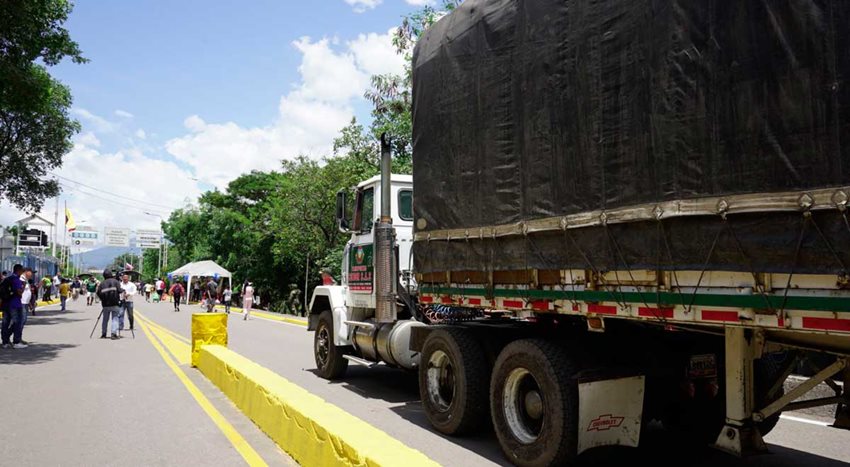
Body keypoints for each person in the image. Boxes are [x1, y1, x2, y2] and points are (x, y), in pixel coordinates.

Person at [1, 264, 27, 349]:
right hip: (15, 304)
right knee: (17, 322)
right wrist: (23, 286)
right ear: (18, 270)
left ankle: (5, 342)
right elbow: (19, 292)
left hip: (6, 303)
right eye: (22, 271)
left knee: (5, 323)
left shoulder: (7, 279)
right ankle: (16, 342)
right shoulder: (16, 280)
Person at [97, 270, 123, 340]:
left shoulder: (102, 284)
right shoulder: (116, 282)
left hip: (105, 304)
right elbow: (120, 291)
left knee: (105, 319)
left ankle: (103, 334)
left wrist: (102, 299)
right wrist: (123, 290)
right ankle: (113, 334)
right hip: (115, 303)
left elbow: (98, 293)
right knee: (115, 318)